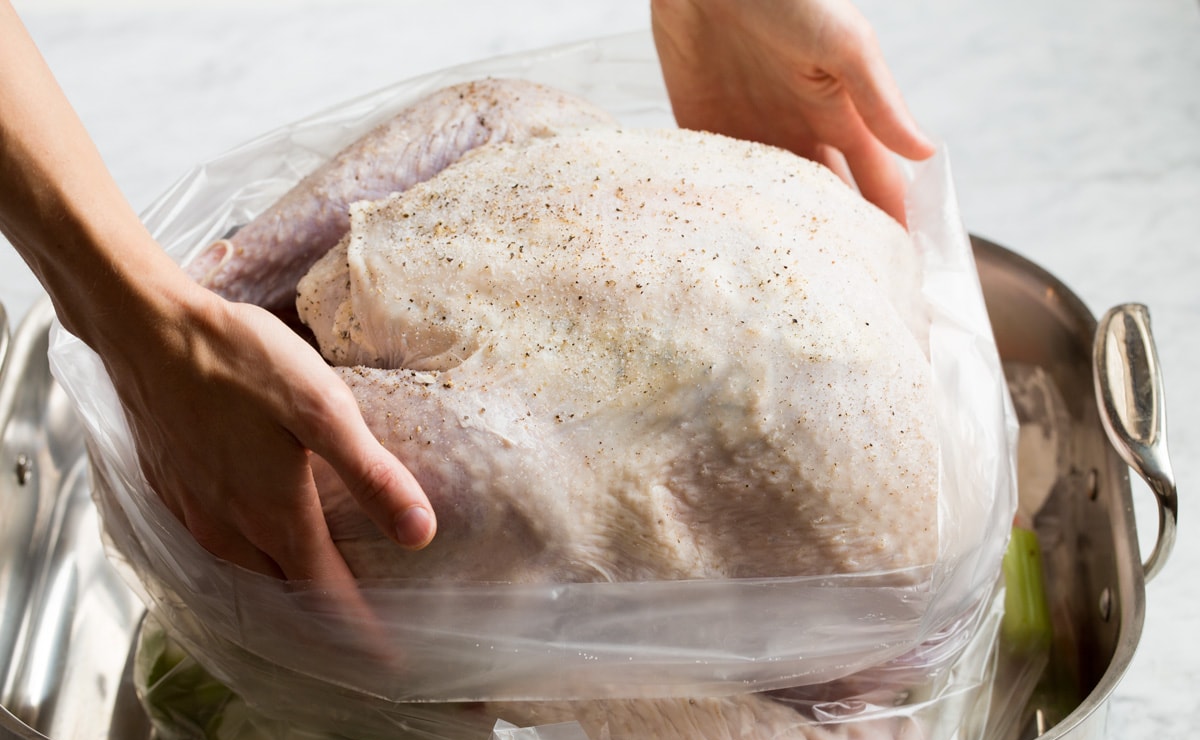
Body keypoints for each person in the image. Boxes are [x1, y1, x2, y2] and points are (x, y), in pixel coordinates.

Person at [0, 0, 932, 592]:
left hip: (813, 330)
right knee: (518, 128)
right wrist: (144, 323)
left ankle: (221, 286)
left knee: (515, 123)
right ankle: (210, 303)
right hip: (826, 252)